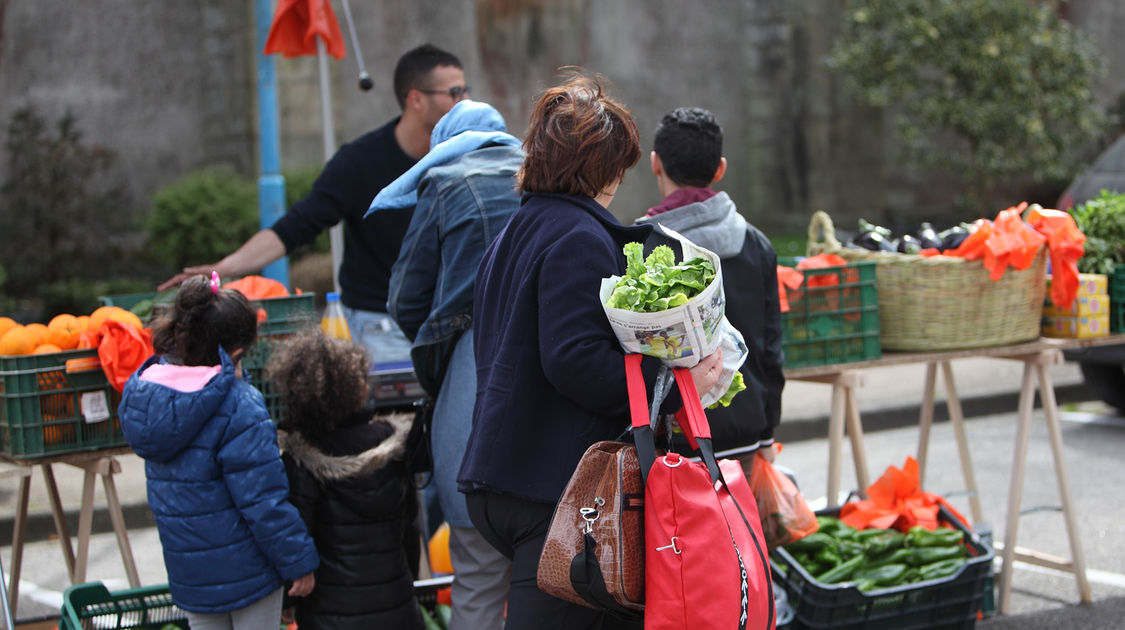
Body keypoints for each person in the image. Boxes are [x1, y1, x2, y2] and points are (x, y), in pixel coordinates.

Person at [457, 73, 724, 630]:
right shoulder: (578, 237)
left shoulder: (516, 231)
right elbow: (574, 358)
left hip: (504, 475)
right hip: (553, 488)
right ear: (605, 168)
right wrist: (678, 384)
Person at [159, 43, 469, 363]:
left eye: (465, 90)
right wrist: (222, 269)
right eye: (455, 91)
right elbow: (293, 228)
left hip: (451, 322)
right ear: (416, 99)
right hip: (379, 327)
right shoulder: (359, 161)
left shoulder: (464, 157)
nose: (466, 101)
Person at [368, 98, 523, 630]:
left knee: (478, 576)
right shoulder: (548, 180)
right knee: (550, 577)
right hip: (552, 399)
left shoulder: (446, 182)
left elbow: (405, 298)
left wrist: (444, 337)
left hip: (470, 387)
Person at [118, 274, 318, 630]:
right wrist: (298, 561)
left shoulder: (151, 397)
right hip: (250, 575)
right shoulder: (239, 406)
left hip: (191, 578)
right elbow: (263, 501)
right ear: (237, 352)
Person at [637, 107, 785, 466]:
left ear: (656, 164)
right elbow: (769, 352)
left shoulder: (642, 246)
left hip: (673, 445)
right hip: (745, 437)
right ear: (720, 169)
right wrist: (767, 435)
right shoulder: (756, 244)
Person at [267, 331, 425, 630]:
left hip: (329, 614)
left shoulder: (301, 460)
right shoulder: (392, 446)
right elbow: (410, 527)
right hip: (397, 606)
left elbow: (297, 538)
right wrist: (409, 583)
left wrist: (290, 602)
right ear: (357, 388)